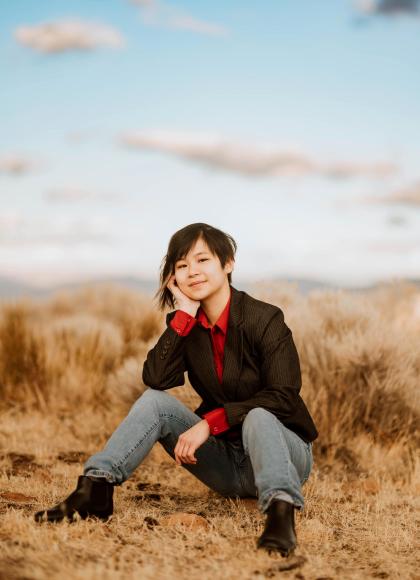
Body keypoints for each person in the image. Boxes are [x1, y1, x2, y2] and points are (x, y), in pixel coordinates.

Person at [34, 222, 318, 558]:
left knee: (258, 415)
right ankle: (95, 490)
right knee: (154, 402)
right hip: (228, 467)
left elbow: (284, 396)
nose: (192, 272)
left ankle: (280, 515)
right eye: (182, 265)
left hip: (284, 456)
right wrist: (184, 314)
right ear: (173, 277)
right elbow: (155, 378)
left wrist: (210, 423)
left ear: (228, 263)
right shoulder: (186, 323)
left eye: (202, 260)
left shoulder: (265, 318)